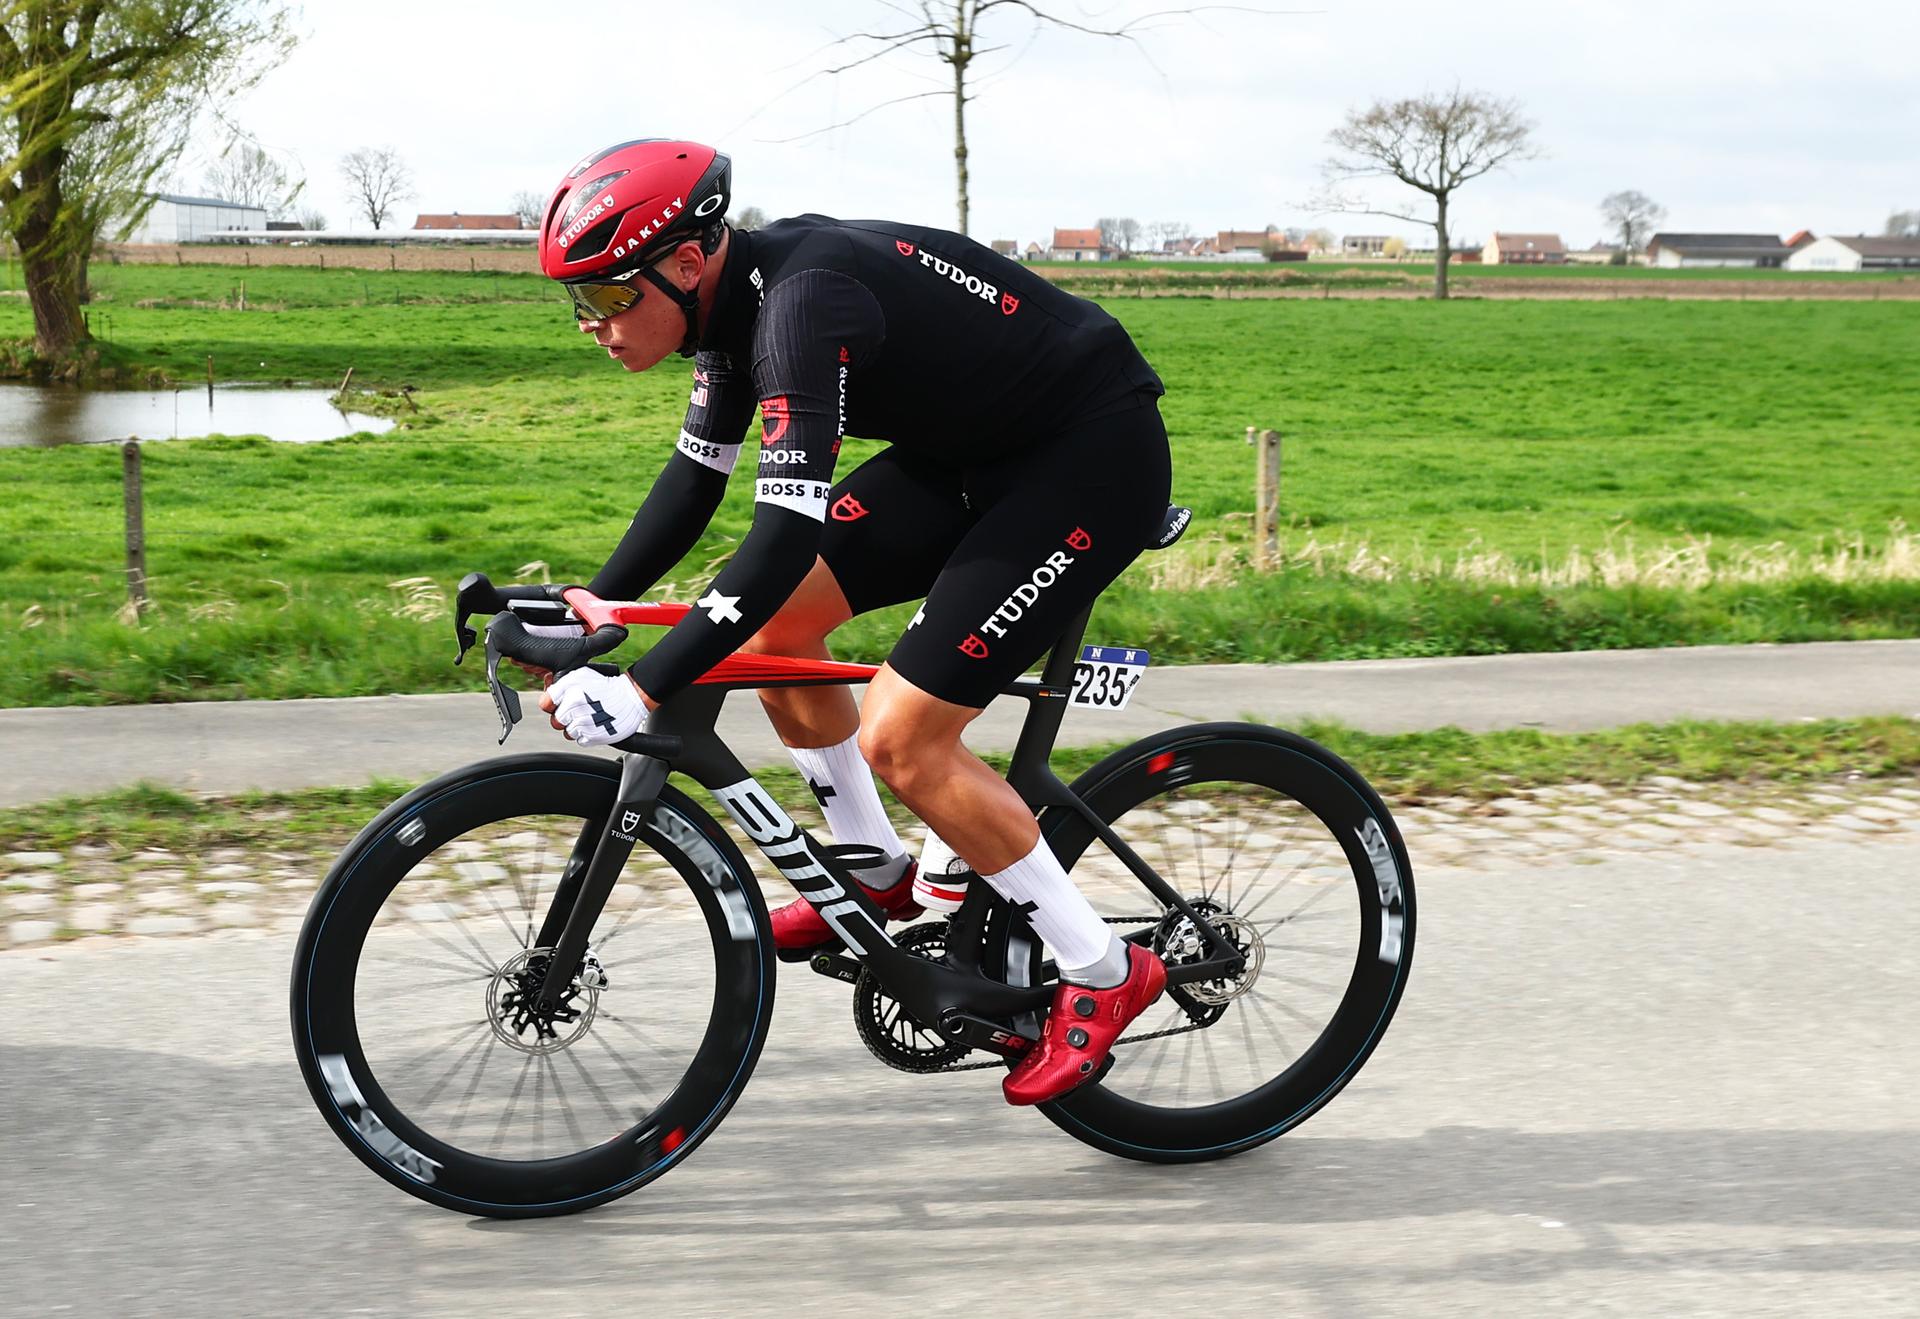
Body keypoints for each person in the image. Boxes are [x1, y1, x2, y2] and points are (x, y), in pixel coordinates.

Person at [532, 138, 1170, 1105]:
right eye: (580, 301)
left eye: (612, 296)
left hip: (1087, 455)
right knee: (771, 627)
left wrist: (641, 686)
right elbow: (697, 479)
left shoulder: (799, 307)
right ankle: (873, 873)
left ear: (689, 262)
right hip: (964, 456)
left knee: (905, 737)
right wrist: (593, 601)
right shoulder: (730, 307)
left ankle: (1105, 971)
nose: (594, 324)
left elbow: (781, 533)